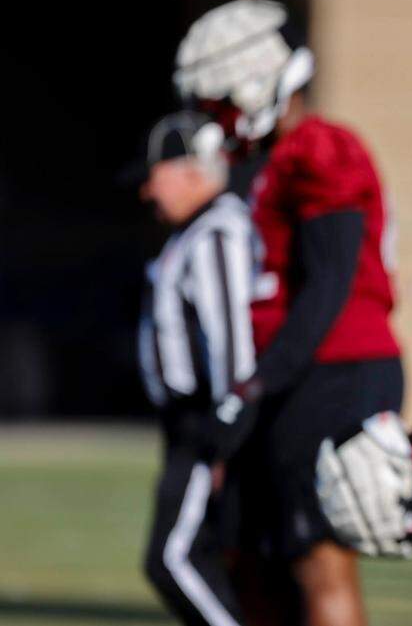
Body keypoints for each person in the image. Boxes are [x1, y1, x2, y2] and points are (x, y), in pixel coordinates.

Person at [175, 0, 406, 626]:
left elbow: (328, 286)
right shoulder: (270, 162)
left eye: (220, 104)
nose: (217, 121)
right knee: (259, 557)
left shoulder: (321, 148)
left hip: (331, 370)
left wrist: (258, 384)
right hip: (294, 372)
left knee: (318, 560)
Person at [138, 111, 254, 626]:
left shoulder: (216, 231)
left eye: (155, 176)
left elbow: (231, 341)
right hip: (192, 423)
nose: (146, 192)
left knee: (172, 558)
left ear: (189, 171)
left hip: (208, 422)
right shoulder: (192, 233)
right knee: (194, 558)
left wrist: (226, 428)